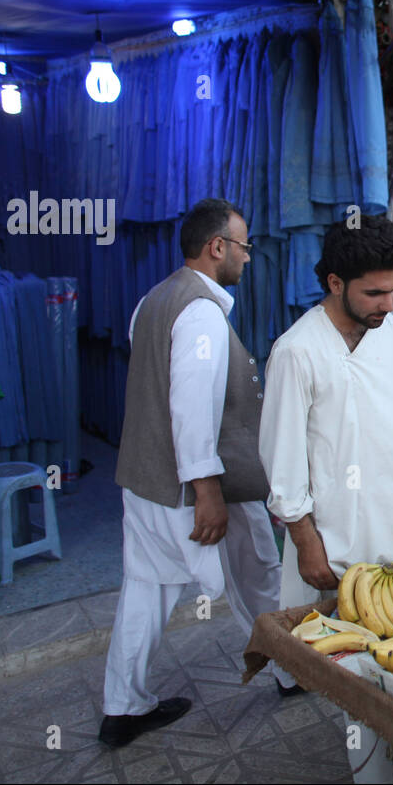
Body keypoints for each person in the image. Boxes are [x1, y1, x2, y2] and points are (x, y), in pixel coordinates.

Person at [259, 213, 393, 783]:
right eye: (375, 292)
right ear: (335, 282)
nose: (388, 303)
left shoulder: (387, 330)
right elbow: (283, 461)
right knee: (364, 669)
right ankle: (376, 775)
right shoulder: (296, 352)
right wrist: (306, 544)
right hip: (344, 536)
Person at [101, 198, 284, 748]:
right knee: (260, 574)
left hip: (144, 481)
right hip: (197, 488)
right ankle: (295, 671)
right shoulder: (201, 311)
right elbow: (188, 405)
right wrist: (206, 491)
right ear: (217, 247)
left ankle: (122, 708)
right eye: (244, 247)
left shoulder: (152, 301)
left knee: (145, 590)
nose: (248, 259)